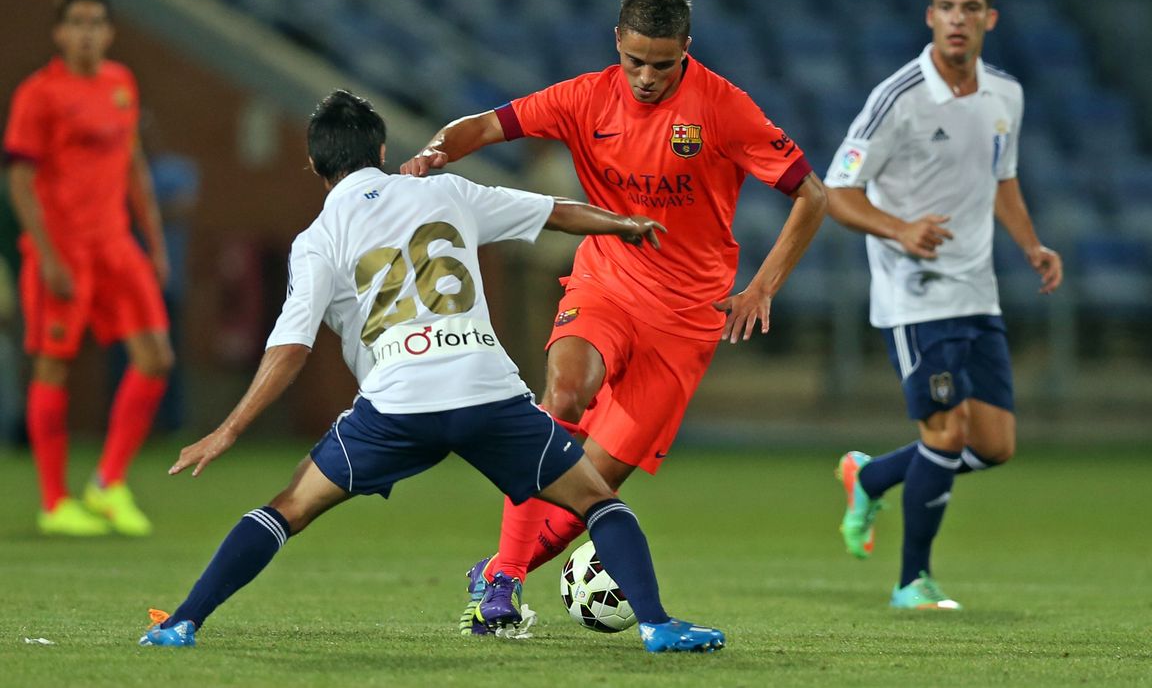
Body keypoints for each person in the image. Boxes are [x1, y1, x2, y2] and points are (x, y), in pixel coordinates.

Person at [139, 90, 725, 654]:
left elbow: (291, 346)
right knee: (599, 502)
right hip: (486, 390)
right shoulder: (446, 192)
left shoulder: (318, 237)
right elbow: (555, 213)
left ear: (314, 163)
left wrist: (230, 427)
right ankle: (657, 627)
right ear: (383, 151)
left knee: (287, 508)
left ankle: (184, 621)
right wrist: (625, 224)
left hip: (397, 405)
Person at [400, 0, 828, 634]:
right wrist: (436, 150)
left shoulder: (723, 108)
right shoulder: (584, 98)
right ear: (617, 44)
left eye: (663, 64)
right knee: (565, 392)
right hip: (606, 285)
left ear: (687, 48)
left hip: (686, 323)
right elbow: (489, 124)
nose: (648, 77)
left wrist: (763, 285)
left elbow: (811, 195)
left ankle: (494, 568)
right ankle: (505, 587)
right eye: (636, 62)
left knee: (585, 495)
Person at [823, 0, 1063, 609]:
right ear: (931, 17)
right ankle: (912, 582)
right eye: (947, 8)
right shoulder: (897, 98)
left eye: (970, 8)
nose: (959, 20)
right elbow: (836, 192)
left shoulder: (1004, 94)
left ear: (990, 17)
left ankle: (872, 477)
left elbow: (1001, 180)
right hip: (914, 295)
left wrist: (1031, 245)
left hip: (976, 291)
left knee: (994, 445)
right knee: (946, 432)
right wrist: (899, 229)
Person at [3, 0, 174, 536]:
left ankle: (107, 484)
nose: (86, 32)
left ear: (109, 32)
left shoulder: (121, 83)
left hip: (115, 244)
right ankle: (54, 503)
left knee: (156, 356)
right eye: (76, 22)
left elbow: (134, 165)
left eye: (96, 22)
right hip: (63, 249)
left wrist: (155, 242)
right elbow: (20, 180)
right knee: (54, 365)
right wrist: (47, 254)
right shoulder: (39, 94)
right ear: (58, 33)